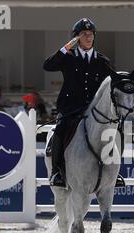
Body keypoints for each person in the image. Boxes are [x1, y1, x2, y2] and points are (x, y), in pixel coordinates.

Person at [43, 18, 111, 188]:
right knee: (60, 129)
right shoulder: (68, 57)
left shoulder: (102, 61)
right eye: (84, 34)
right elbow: (47, 65)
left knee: (112, 131)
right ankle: (57, 172)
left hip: (94, 111)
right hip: (71, 108)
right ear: (76, 38)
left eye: (91, 34)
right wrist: (66, 47)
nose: (88, 37)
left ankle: (113, 173)